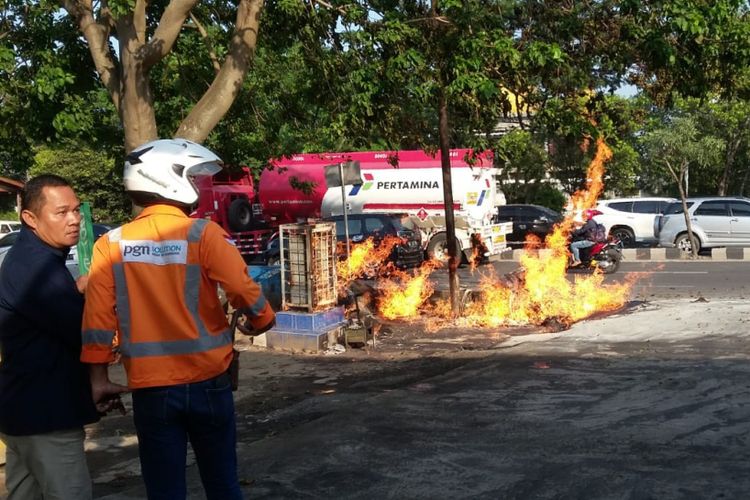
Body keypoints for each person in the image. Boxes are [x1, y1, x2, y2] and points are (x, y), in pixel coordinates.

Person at [81, 139, 276, 500]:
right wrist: (263, 319)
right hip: (208, 382)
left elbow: (96, 319)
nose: (200, 187)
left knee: (164, 489)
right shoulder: (204, 234)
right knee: (222, 483)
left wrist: (98, 377)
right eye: (194, 177)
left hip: (151, 389)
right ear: (172, 179)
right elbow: (243, 290)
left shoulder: (112, 243)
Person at [0, 174, 123, 499]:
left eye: (76, 210)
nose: (74, 220)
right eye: (61, 212)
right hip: (47, 417)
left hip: (24, 412)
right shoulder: (37, 268)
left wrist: (78, 290)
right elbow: (83, 330)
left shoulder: (33, 260)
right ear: (29, 218)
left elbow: (48, 321)